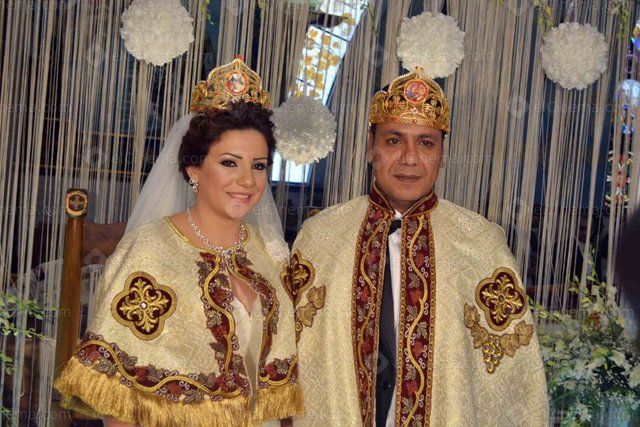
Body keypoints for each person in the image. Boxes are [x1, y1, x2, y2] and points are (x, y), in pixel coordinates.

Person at [287, 68, 549, 426]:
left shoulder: (479, 242)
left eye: (426, 143)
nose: (409, 158)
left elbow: (514, 379)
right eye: (394, 140)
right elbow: (287, 359)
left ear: (442, 152)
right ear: (371, 146)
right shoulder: (321, 237)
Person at [54, 57, 301, 427]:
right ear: (194, 169)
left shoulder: (267, 252)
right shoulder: (148, 250)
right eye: (229, 163)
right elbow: (118, 402)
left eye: (259, 165)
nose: (248, 181)